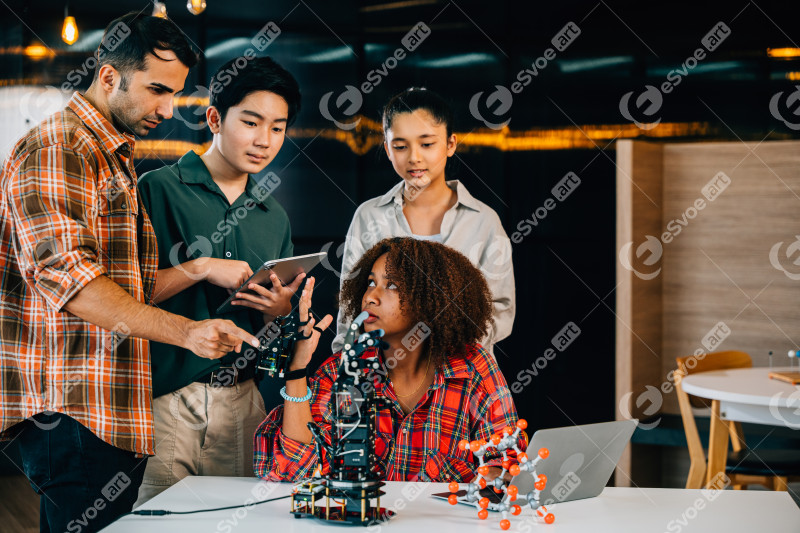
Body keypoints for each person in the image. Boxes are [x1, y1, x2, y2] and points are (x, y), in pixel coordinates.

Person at [0, 13, 259, 533]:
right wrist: (189, 332)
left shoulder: (111, 153)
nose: (168, 109)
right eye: (158, 90)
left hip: (110, 412)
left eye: (176, 93)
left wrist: (198, 268)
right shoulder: (61, 148)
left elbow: (128, 292)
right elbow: (71, 284)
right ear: (109, 77)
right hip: (72, 414)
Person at [135, 56, 303, 505]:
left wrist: (280, 310)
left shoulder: (275, 217)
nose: (263, 140)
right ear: (214, 118)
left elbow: (278, 328)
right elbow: (122, 295)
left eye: (277, 128)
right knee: (161, 521)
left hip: (246, 401)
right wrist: (202, 266)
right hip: (168, 398)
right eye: (251, 122)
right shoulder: (158, 188)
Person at [255, 237, 524, 482]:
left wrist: (494, 476)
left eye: (391, 285)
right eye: (370, 282)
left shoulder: (473, 368)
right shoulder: (344, 370)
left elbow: (507, 462)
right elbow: (294, 468)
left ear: (430, 298)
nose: (370, 296)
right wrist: (296, 370)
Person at [332, 88, 515, 355]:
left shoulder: (483, 220)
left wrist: (447, 349)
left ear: (450, 144)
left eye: (427, 144)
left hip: (459, 377)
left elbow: (500, 308)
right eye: (400, 146)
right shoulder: (369, 216)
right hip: (383, 377)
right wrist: (347, 366)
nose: (414, 157)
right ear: (387, 148)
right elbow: (351, 306)